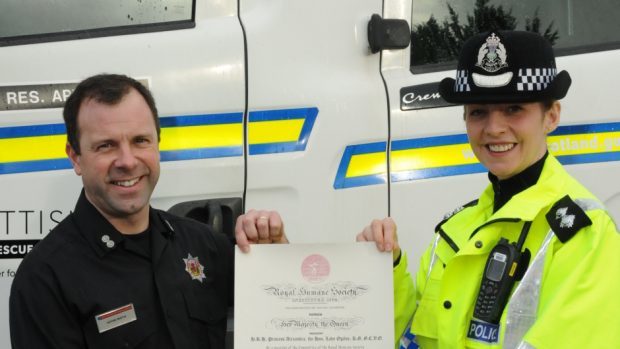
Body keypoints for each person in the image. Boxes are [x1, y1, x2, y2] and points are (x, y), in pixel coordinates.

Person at [357, 30, 620, 348]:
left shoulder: (584, 236)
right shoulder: (453, 232)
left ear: (551, 117)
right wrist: (385, 271)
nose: (494, 128)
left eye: (514, 109)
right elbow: (410, 340)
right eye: (479, 112)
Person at [9, 74, 283, 349]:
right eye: (106, 145)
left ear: (157, 145)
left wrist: (276, 254)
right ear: (75, 157)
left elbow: (287, 313)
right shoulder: (44, 280)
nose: (127, 161)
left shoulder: (204, 244)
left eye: (141, 140)